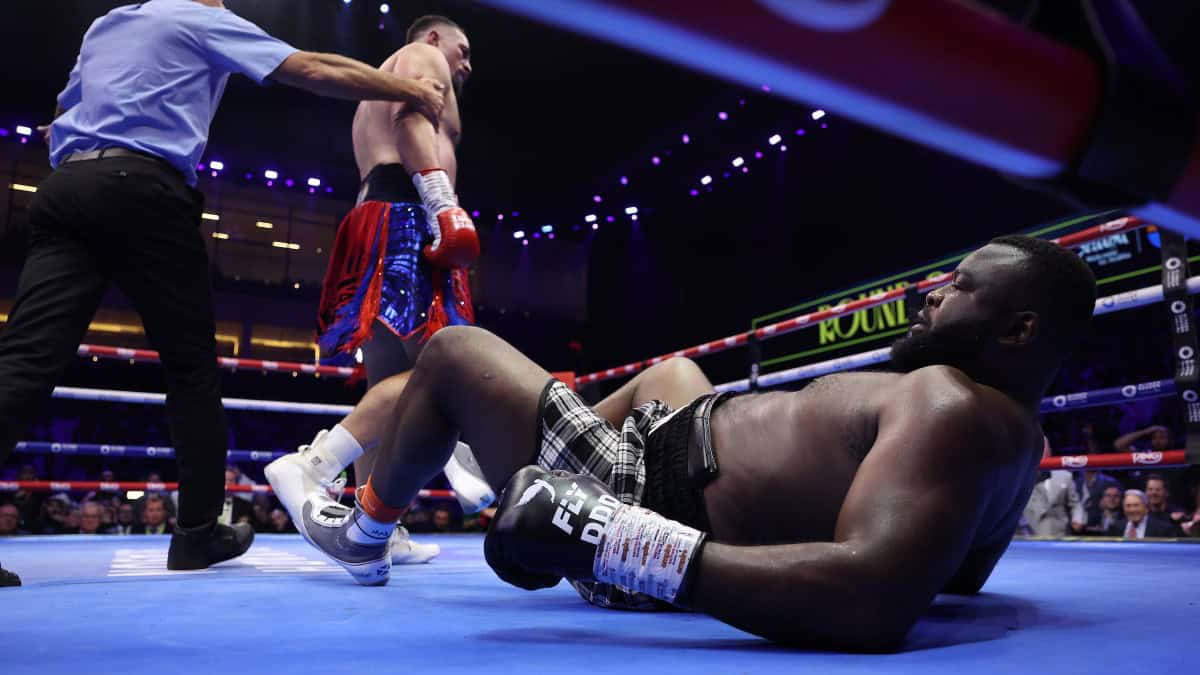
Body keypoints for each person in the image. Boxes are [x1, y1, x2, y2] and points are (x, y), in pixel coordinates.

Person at [284, 235, 1097, 649]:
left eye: (959, 289)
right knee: (673, 369)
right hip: (676, 441)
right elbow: (954, 570)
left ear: (1019, 329)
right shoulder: (1012, 436)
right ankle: (502, 452)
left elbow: (876, 596)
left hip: (648, 498)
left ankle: (365, 528)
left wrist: (614, 537)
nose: (931, 295)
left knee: (453, 351)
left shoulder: (952, 406)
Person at [0, 0, 446, 586]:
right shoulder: (199, 17)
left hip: (68, 185)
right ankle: (197, 532)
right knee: (190, 369)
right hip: (143, 187)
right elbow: (310, 68)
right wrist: (406, 89)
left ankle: (198, 530)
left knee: (25, 361)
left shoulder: (106, 24)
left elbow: (62, 114)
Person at [265, 14, 493, 566]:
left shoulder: (382, 79)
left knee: (390, 383)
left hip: (380, 211)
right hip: (411, 212)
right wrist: (442, 203)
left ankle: (375, 526)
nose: (466, 64)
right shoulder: (423, 58)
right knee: (448, 364)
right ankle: (315, 465)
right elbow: (412, 116)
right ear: (435, 38)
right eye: (462, 50)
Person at [1108, 490, 1179, 538]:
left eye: (1136, 505)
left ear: (1146, 508)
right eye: (1128, 506)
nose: (1132, 510)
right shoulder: (1115, 528)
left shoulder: (1163, 529)